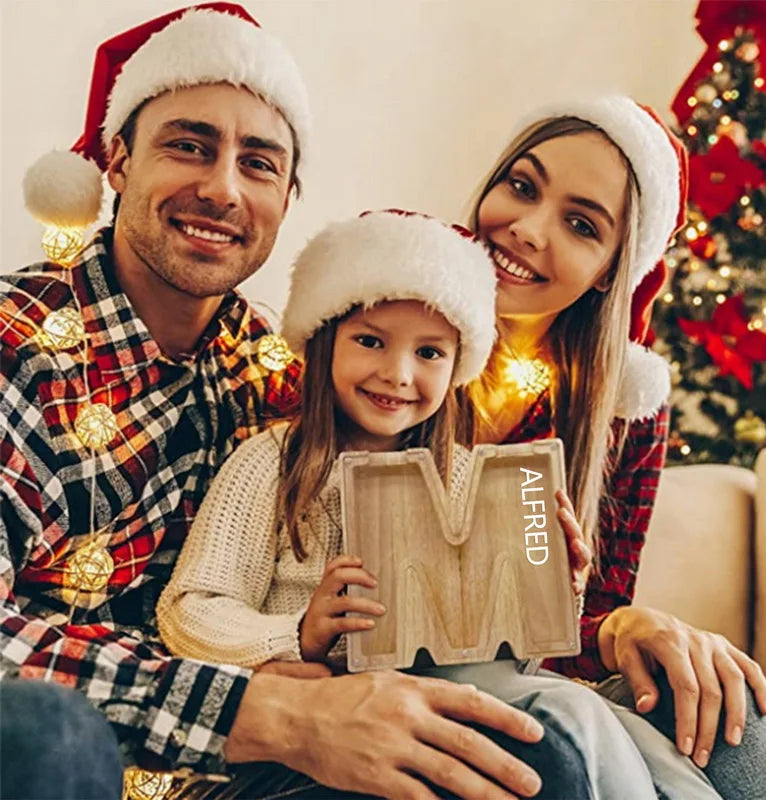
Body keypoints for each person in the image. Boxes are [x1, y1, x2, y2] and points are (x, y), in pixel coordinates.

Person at [0, 6, 561, 800]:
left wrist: (541, 568)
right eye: (189, 145)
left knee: (522, 747)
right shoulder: (19, 346)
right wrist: (270, 711)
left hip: (239, 775)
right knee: (46, 734)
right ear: (117, 159)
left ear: (288, 196)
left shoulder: (276, 370)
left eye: (258, 164)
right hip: (92, 757)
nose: (222, 187)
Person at [156, 209, 670, 799]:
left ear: (457, 368)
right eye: (370, 341)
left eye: (429, 353)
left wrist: (551, 587)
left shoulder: (468, 476)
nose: (398, 374)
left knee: (558, 726)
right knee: (543, 742)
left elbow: (500, 659)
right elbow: (189, 610)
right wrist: (299, 633)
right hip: (297, 755)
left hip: (436, 716)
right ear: (324, 341)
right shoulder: (271, 464)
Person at [444, 95, 766, 799]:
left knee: (743, 715)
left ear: (614, 268)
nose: (526, 229)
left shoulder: (623, 413)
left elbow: (576, 632)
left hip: (535, 683)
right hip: (418, 687)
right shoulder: (384, 347)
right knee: (559, 738)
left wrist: (620, 626)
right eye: (521, 186)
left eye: (580, 224)